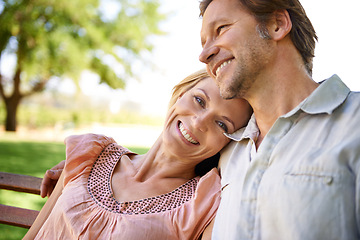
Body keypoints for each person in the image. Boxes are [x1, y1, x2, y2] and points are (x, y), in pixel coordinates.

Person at [24, 69, 252, 239]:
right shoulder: (90, 154)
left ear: (229, 141)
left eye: (222, 125)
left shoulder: (203, 204)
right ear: (181, 93)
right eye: (199, 100)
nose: (199, 122)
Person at [198, 0, 360, 239]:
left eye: (221, 29)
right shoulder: (226, 153)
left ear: (277, 24)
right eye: (203, 42)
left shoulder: (354, 124)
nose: (204, 55)